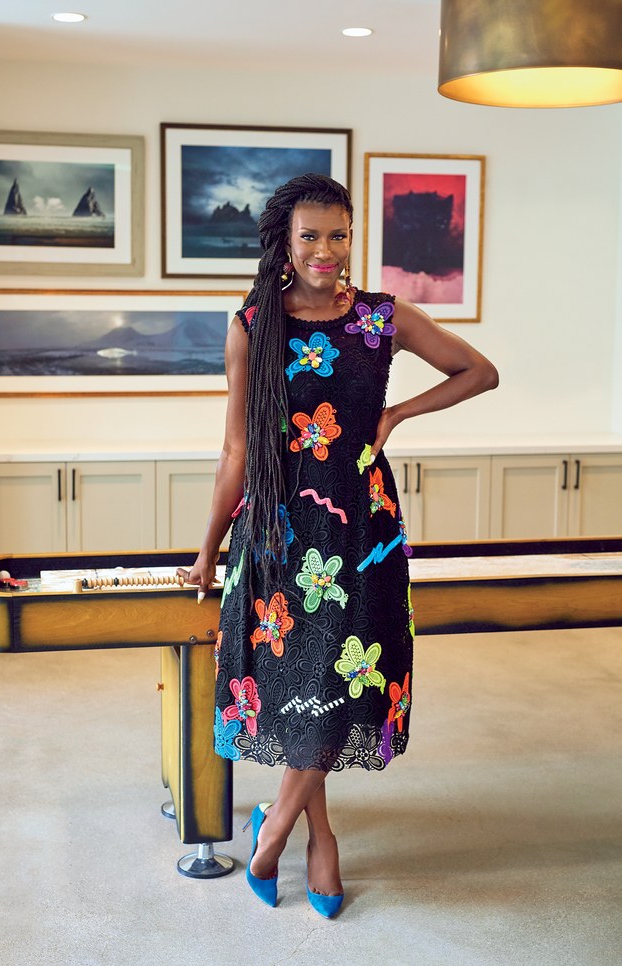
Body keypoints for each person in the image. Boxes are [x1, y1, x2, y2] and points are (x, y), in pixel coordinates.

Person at [178, 173, 498, 917]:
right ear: (285, 243)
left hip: (362, 529)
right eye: (311, 237)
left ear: (352, 237)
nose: (326, 251)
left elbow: (479, 373)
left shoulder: (382, 318)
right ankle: (318, 837)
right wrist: (208, 548)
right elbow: (235, 450)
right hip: (279, 531)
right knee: (301, 683)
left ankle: (277, 826)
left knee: (341, 678)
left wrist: (396, 415)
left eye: (339, 235)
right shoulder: (255, 325)